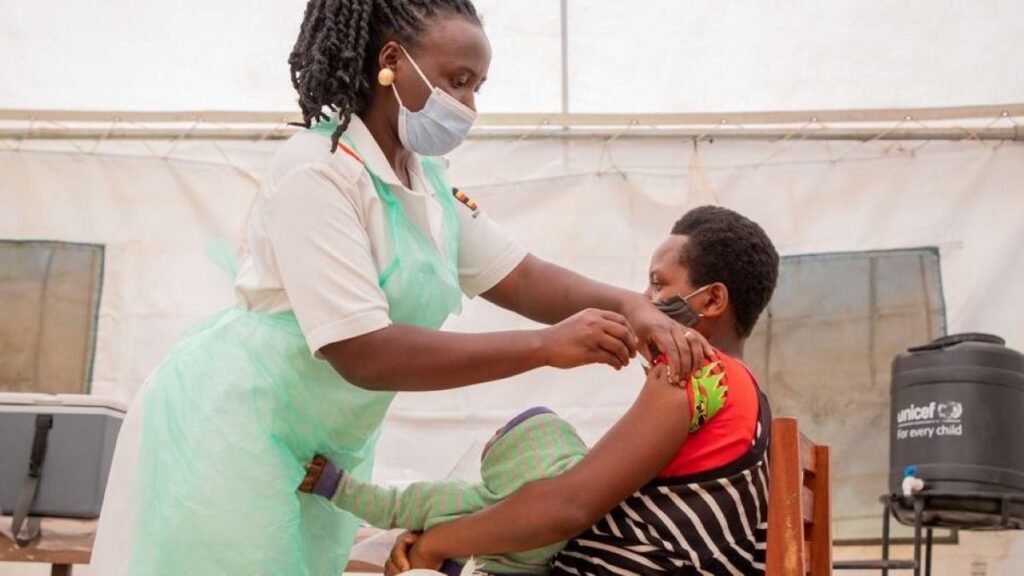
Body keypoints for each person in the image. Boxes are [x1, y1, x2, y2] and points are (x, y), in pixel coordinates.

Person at [89, 1, 711, 574]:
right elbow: (364, 351)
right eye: (458, 80)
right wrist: (544, 347)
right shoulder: (319, 172)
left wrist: (634, 306)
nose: (468, 105)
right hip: (235, 427)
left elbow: (521, 276)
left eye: (477, 87)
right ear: (391, 62)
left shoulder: (427, 183)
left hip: (317, 443)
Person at [386, 206, 780, 575]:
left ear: (712, 299)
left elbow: (568, 506)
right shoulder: (746, 394)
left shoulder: (693, 372)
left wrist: (434, 546)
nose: (643, 301)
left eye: (658, 285)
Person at [301, 407, 587, 575]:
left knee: (358, 559)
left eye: (499, 434)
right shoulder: (570, 535)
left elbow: (389, 506)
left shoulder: (459, 499)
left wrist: (336, 484)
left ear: (508, 455)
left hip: (432, 563)